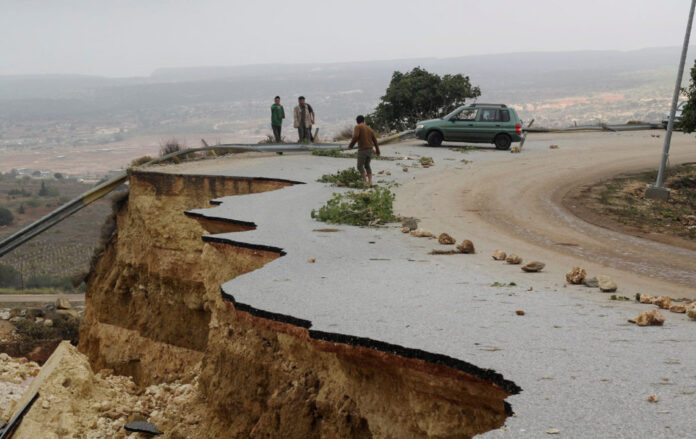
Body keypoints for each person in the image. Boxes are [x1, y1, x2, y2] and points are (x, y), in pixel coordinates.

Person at [347, 115, 380, 186]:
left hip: (363, 149)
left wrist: (351, 145)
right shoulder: (369, 128)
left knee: (359, 166)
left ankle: (365, 182)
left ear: (357, 121)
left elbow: (355, 136)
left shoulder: (358, 127)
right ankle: (370, 182)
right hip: (370, 149)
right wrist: (377, 151)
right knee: (367, 165)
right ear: (363, 120)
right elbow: (375, 141)